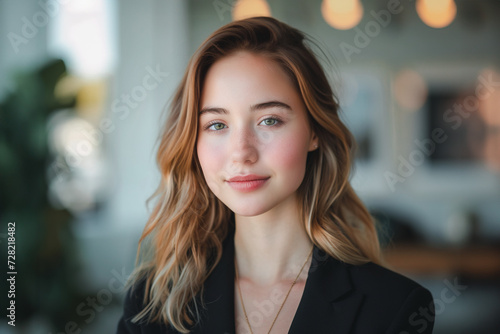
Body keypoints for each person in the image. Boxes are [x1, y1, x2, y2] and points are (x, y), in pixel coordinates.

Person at [116, 17, 435, 334]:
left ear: (314, 132)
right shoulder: (150, 303)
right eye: (217, 125)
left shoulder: (394, 308)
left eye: (269, 120)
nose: (241, 152)